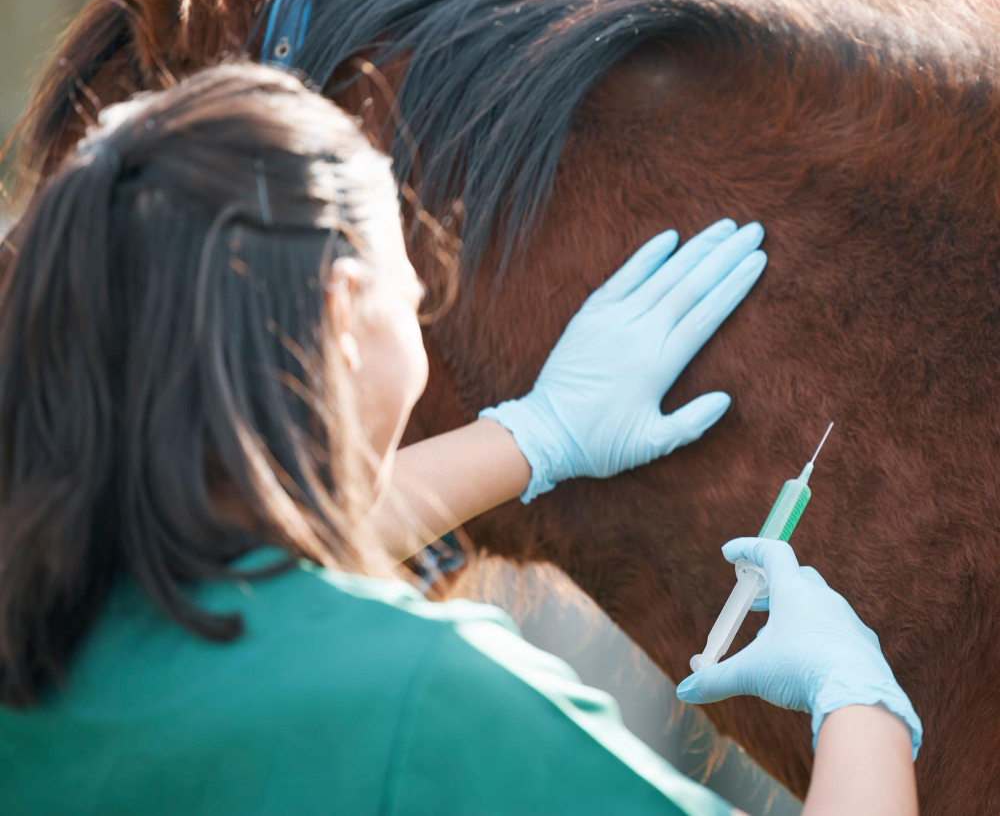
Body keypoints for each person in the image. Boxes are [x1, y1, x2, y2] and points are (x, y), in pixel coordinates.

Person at [0, 63, 920, 815]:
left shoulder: (42, 639)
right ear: (342, 313)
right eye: (413, 298)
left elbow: (236, 563)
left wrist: (538, 434)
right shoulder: (429, 699)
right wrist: (859, 703)